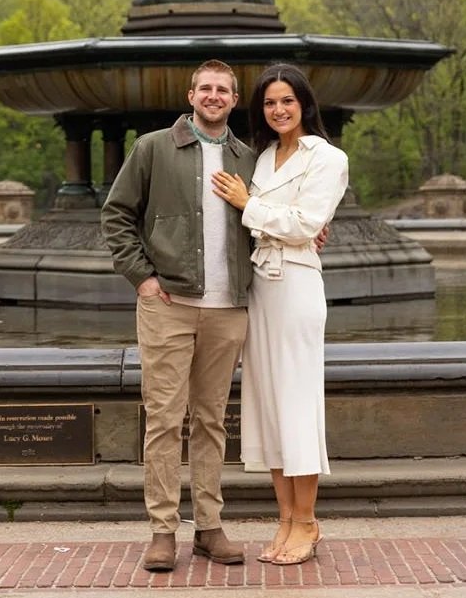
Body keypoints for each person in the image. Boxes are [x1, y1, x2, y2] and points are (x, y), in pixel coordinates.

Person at [100, 60, 255, 573]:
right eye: (205, 88)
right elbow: (117, 214)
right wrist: (142, 278)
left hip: (228, 308)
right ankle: (162, 531)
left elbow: (267, 218)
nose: (214, 96)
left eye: (223, 90)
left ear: (234, 100)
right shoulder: (152, 148)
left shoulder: (247, 158)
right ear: (191, 95)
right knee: (164, 419)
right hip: (168, 305)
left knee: (212, 420)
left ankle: (209, 527)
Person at [211, 64, 348, 566]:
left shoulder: (327, 158)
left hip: (295, 284)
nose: (279, 110)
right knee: (266, 405)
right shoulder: (263, 157)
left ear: (304, 104)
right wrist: (260, 212)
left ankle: (308, 522)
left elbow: (306, 224)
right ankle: (285, 519)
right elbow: (270, 224)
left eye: (287, 100)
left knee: (296, 402)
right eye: (270, 103)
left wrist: (249, 204)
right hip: (260, 288)